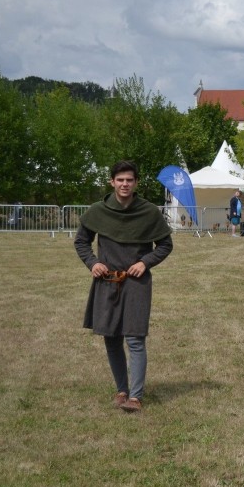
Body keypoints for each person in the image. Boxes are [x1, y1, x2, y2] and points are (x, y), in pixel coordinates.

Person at [74, 161, 173, 413]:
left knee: (135, 338)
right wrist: (92, 262)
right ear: (112, 182)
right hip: (107, 281)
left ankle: (136, 397)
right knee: (111, 337)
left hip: (136, 282)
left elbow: (164, 245)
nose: (125, 184)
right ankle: (122, 390)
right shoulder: (98, 211)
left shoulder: (149, 212)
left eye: (129, 180)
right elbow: (82, 242)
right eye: (120, 180)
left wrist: (145, 262)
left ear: (136, 183)